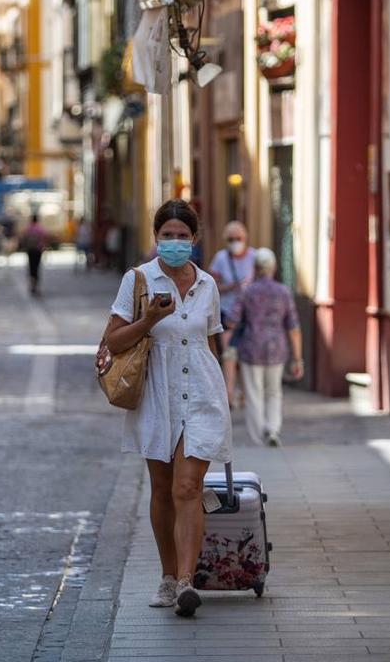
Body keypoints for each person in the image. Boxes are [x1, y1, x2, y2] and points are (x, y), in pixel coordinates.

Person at [98, 199, 232, 618]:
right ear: (156, 237)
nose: (175, 243)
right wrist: (149, 320)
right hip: (158, 394)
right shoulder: (137, 279)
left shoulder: (207, 284)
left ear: (195, 239)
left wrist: (228, 392)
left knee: (187, 488)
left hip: (204, 395)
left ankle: (188, 583)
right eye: (167, 235)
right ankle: (168, 576)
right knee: (162, 490)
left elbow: (211, 341)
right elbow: (113, 342)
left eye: (182, 236)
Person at [225, 248, 303, 447]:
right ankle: (273, 429)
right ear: (273, 267)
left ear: (255, 268)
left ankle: (258, 436)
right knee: (274, 391)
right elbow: (293, 326)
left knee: (254, 393)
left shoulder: (247, 291)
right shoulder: (283, 292)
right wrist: (297, 357)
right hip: (277, 348)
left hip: (251, 347)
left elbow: (232, 321)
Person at [208, 221, 256, 407]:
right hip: (227, 313)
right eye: (231, 239)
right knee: (229, 355)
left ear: (245, 238)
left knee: (246, 356)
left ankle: (245, 394)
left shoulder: (255, 256)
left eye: (239, 238)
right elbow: (213, 285)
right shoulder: (221, 258)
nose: (235, 242)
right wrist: (230, 287)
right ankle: (229, 394)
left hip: (250, 315)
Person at [20, 214, 50, 296]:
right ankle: (35, 286)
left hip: (30, 250)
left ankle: (32, 285)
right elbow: (45, 237)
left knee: (31, 267)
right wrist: (44, 247)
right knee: (36, 267)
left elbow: (23, 237)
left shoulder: (28, 228)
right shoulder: (39, 228)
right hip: (38, 250)